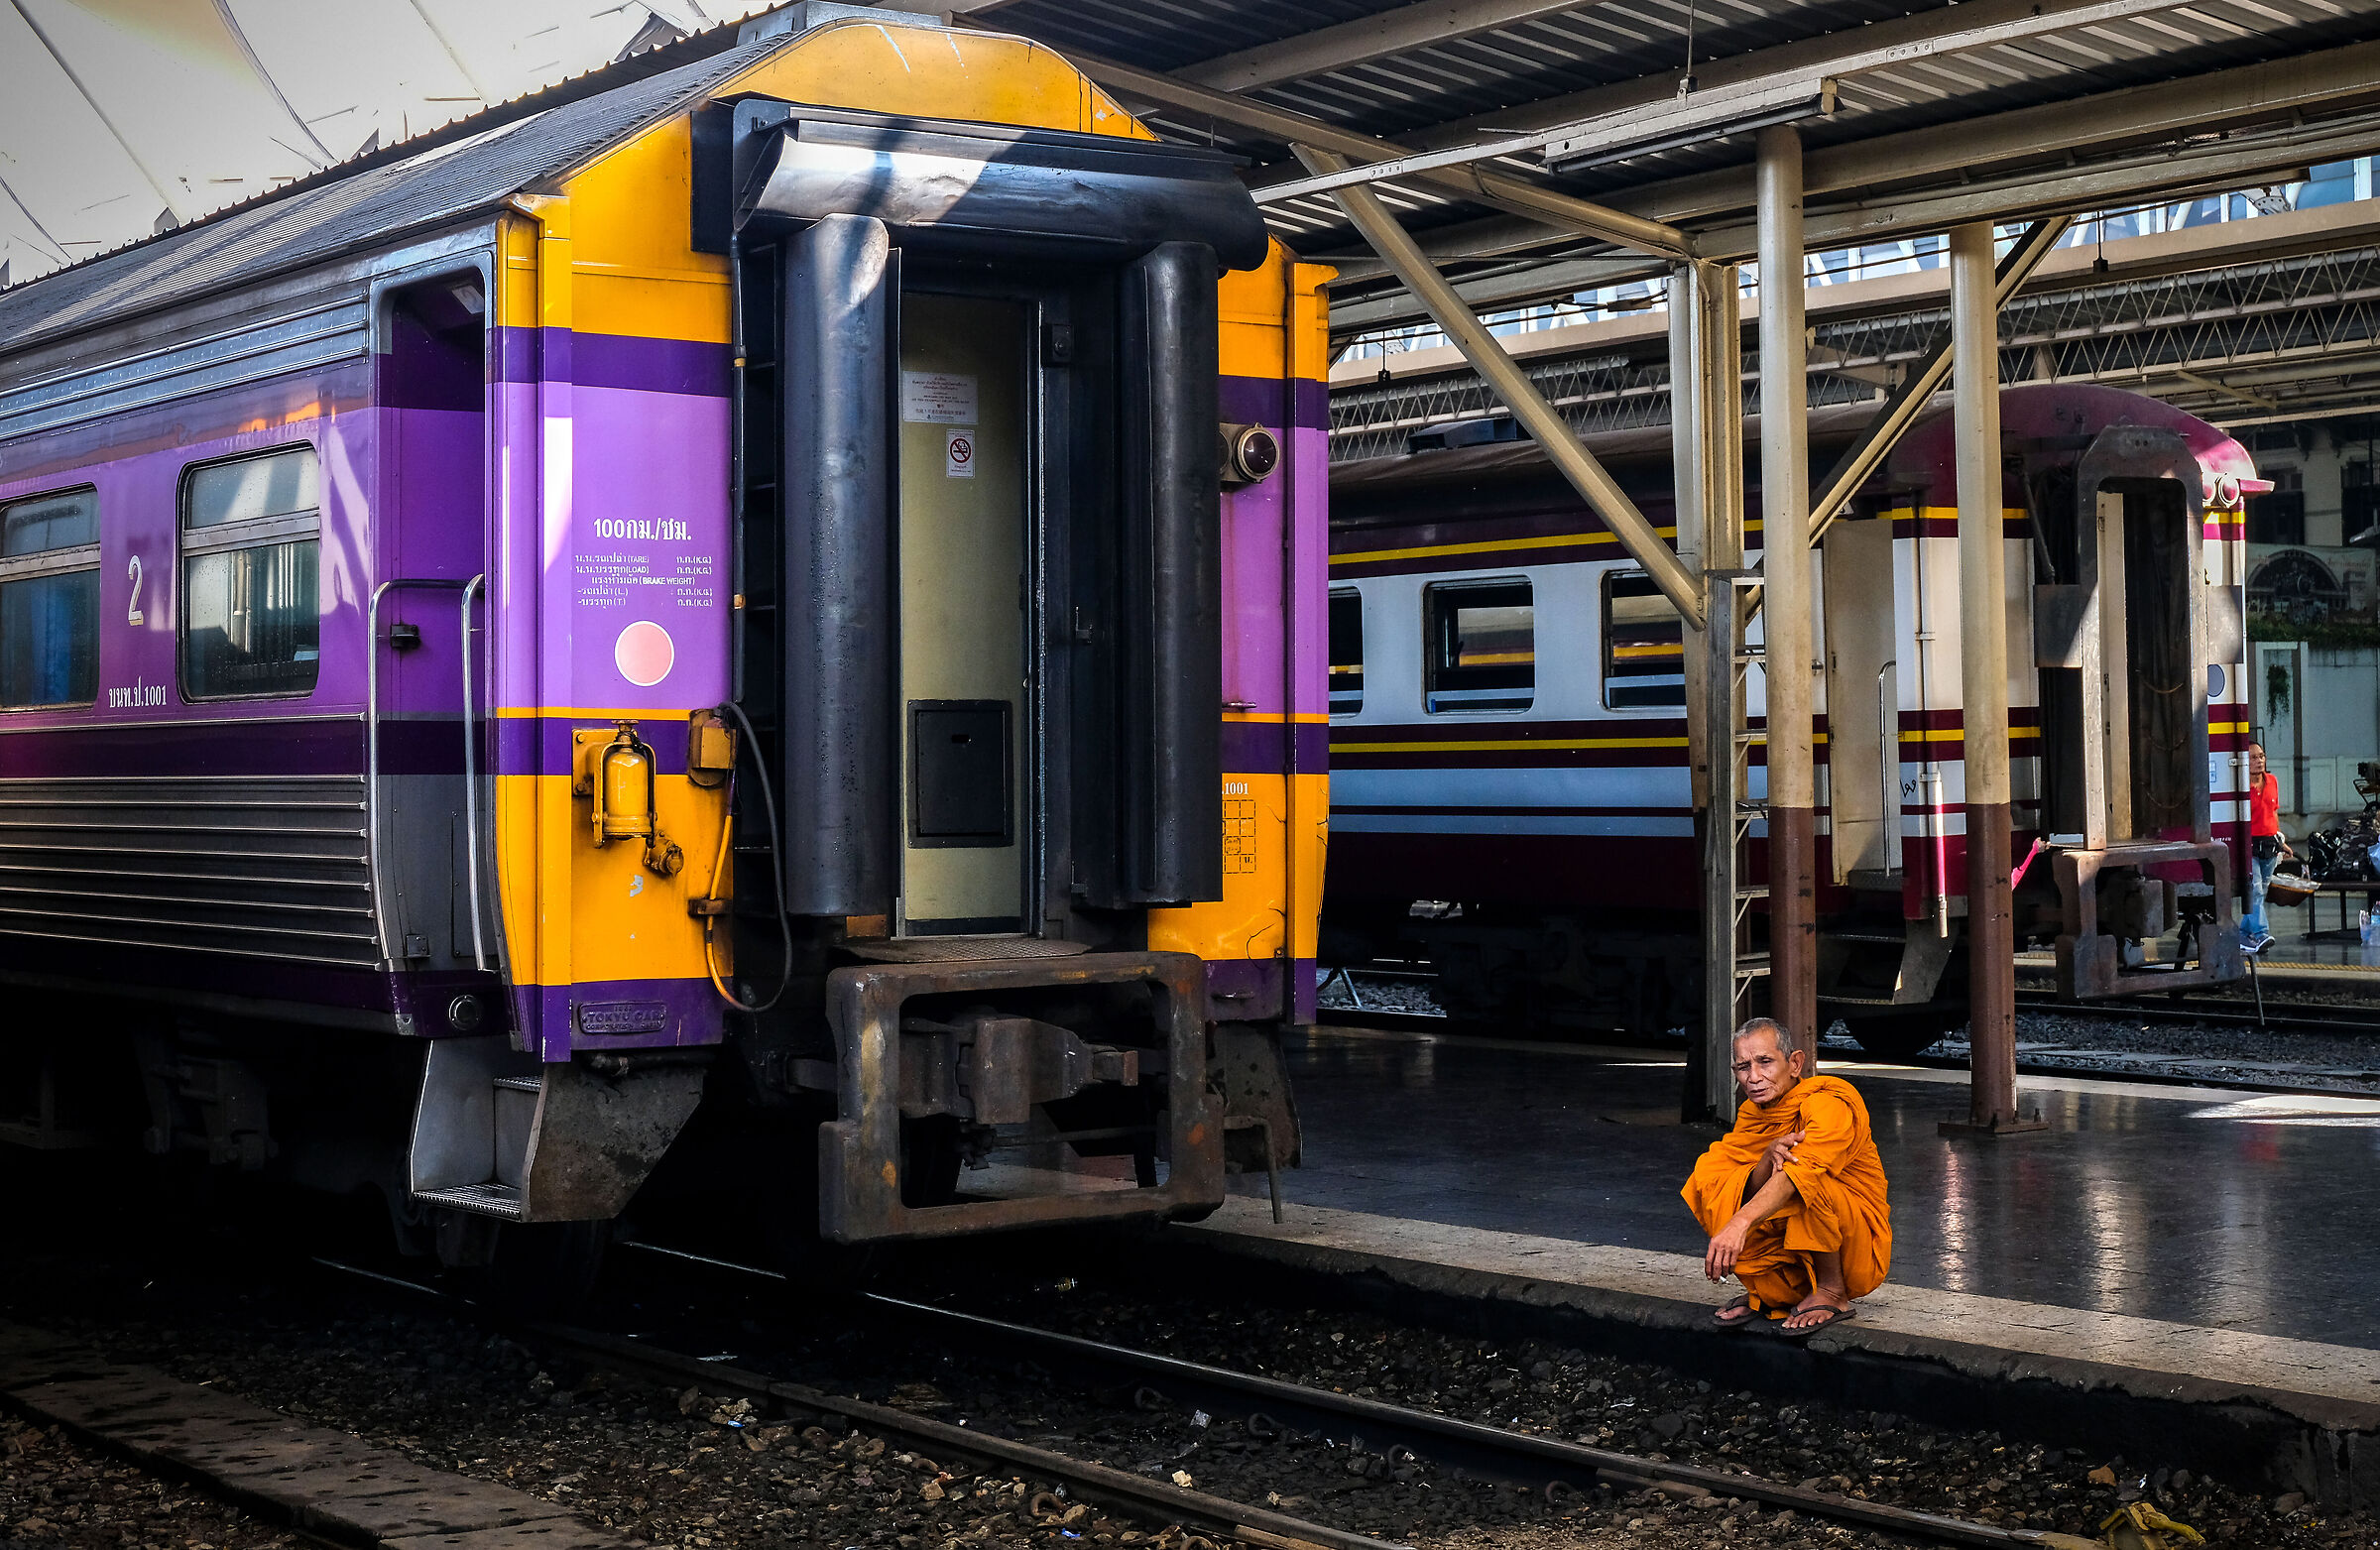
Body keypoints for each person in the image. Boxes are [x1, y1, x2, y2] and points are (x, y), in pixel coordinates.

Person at [1681, 1017, 1891, 1337]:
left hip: (1855, 1242)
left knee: (1807, 1181)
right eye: (1742, 1067)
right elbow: (1742, 1184)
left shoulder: (1828, 1104)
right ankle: (1770, 1295)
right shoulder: (1753, 1114)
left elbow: (1802, 1173)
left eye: (1765, 1062)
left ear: (1794, 1063)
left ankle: (1832, 1292)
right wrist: (1765, 1160)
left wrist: (1739, 1223)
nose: (1754, 1077)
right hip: (1805, 1231)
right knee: (1718, 1177)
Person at [2239, 743, 2290, 953]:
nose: (2259, 761)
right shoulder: (2240, 787)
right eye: (2253, 757)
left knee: (2261, 892)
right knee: (2255, 891)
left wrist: (2281, 841)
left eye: (2261, 756)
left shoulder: (2273, 781)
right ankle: (2261, 934)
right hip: (2249, 844)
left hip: (2270, 843)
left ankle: (2242, 935)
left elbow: (2273, 812)